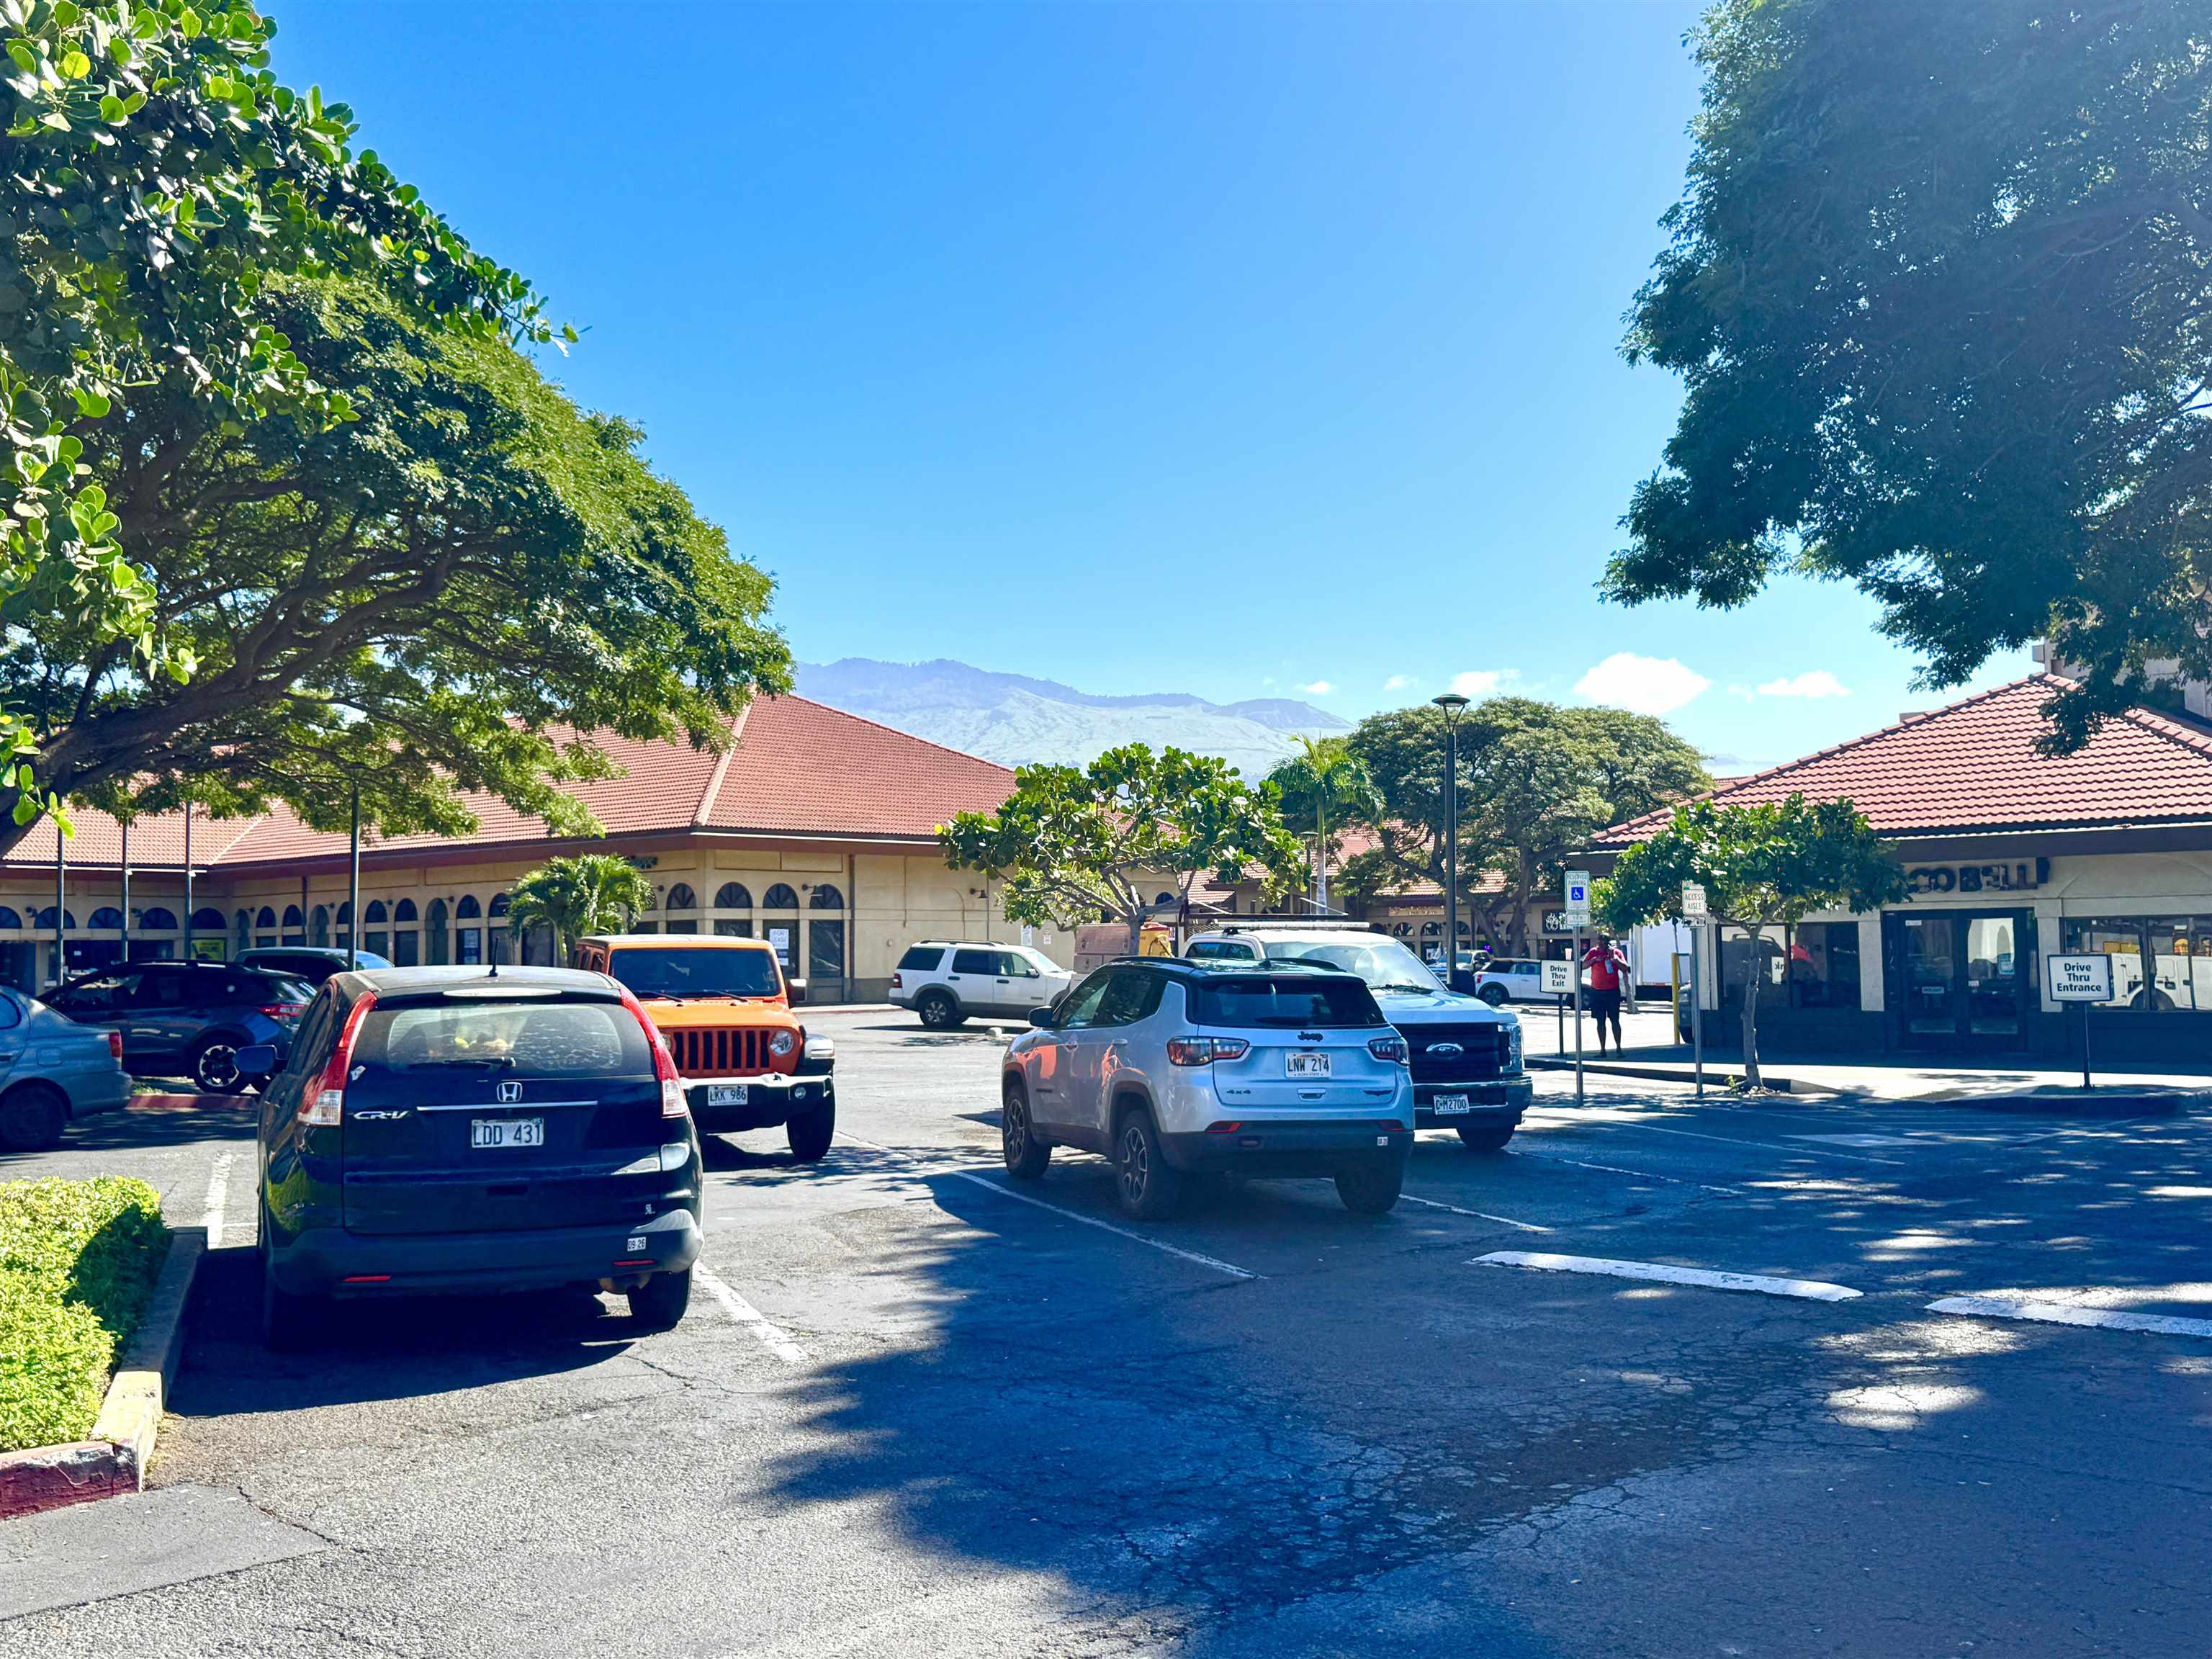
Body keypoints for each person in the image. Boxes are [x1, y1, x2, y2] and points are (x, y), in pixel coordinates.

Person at [1583, 934, 1631, 1054]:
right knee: (1600, 1021)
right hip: (1597, 992)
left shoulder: (1616, 952)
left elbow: (1625, 968)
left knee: (1615, 1020)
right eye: (1600, 942)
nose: (1602, 945)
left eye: (1604, 943)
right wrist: (1594, 960)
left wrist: (1615, 958)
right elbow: (1582, 966)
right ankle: (1602, 1049)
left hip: (1612, 992)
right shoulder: (1593, 952)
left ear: (1609, 943)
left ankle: (1618, 1048)